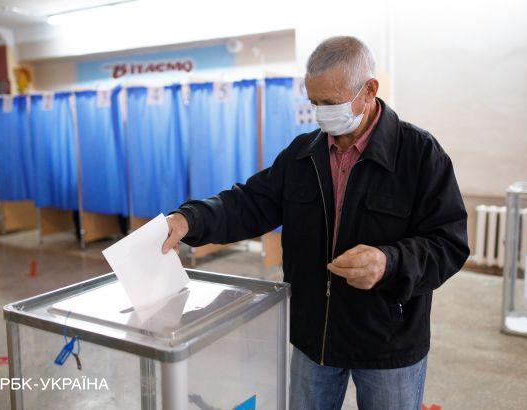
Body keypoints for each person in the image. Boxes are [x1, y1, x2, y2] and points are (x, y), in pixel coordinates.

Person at [162, 36, 469, 410]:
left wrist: (390, 262)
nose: (322, 114)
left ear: (369, 90)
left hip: (389, 341)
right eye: (314, 103)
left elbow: (448, 242)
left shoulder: (420, 155)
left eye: (331, 103)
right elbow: (249, 203)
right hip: (315, 338)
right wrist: (189, 218)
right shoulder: (302, 155)